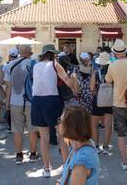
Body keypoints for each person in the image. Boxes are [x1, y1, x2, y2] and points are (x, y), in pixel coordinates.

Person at [31, 44, 73, 178]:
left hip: (36, 102)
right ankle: (66, 166)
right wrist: (73, 77)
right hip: (52, 101)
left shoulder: (36, 66)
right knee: (62, 135)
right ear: (53, 54)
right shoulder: (55, 64)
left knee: (44, 137)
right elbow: (68, 82)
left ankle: (47, 168)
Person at [4, 44, 39, 165]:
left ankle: (19, 156)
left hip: (15, 101)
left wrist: (7, 102)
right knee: (32, 130)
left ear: (19, 52)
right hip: (31, 101)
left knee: (17, 130)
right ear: (30, 52)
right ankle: (33, 155)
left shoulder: (9, 65)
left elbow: (8, 87)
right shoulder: (34, 65)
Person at [105, 39, 127, 170]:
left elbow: (107, 81)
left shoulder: (112, 65)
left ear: (115, 53)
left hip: (118, 102)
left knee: (121, 134)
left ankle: (124, 162)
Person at [59, 107, 100, 185]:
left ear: (70, 127)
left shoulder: (81, 163)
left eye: (60, 121)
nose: (58, 124)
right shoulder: (77, 145)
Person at [90, 51, 113, 154]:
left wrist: (97, 92)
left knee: (94, 125)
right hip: (110, 100)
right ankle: (106, 146)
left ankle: (95, 145)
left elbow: (91, 87)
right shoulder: (113, 72)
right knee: (108, 125)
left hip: (98, 100)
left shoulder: (95, 72)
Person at [2, 48, 19, 133]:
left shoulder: (6, 66)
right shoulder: (21, 64)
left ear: (9, 56)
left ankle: (10, 126)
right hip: (18, 89)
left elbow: (4, 80)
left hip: (9, 88)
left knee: (9, 107)